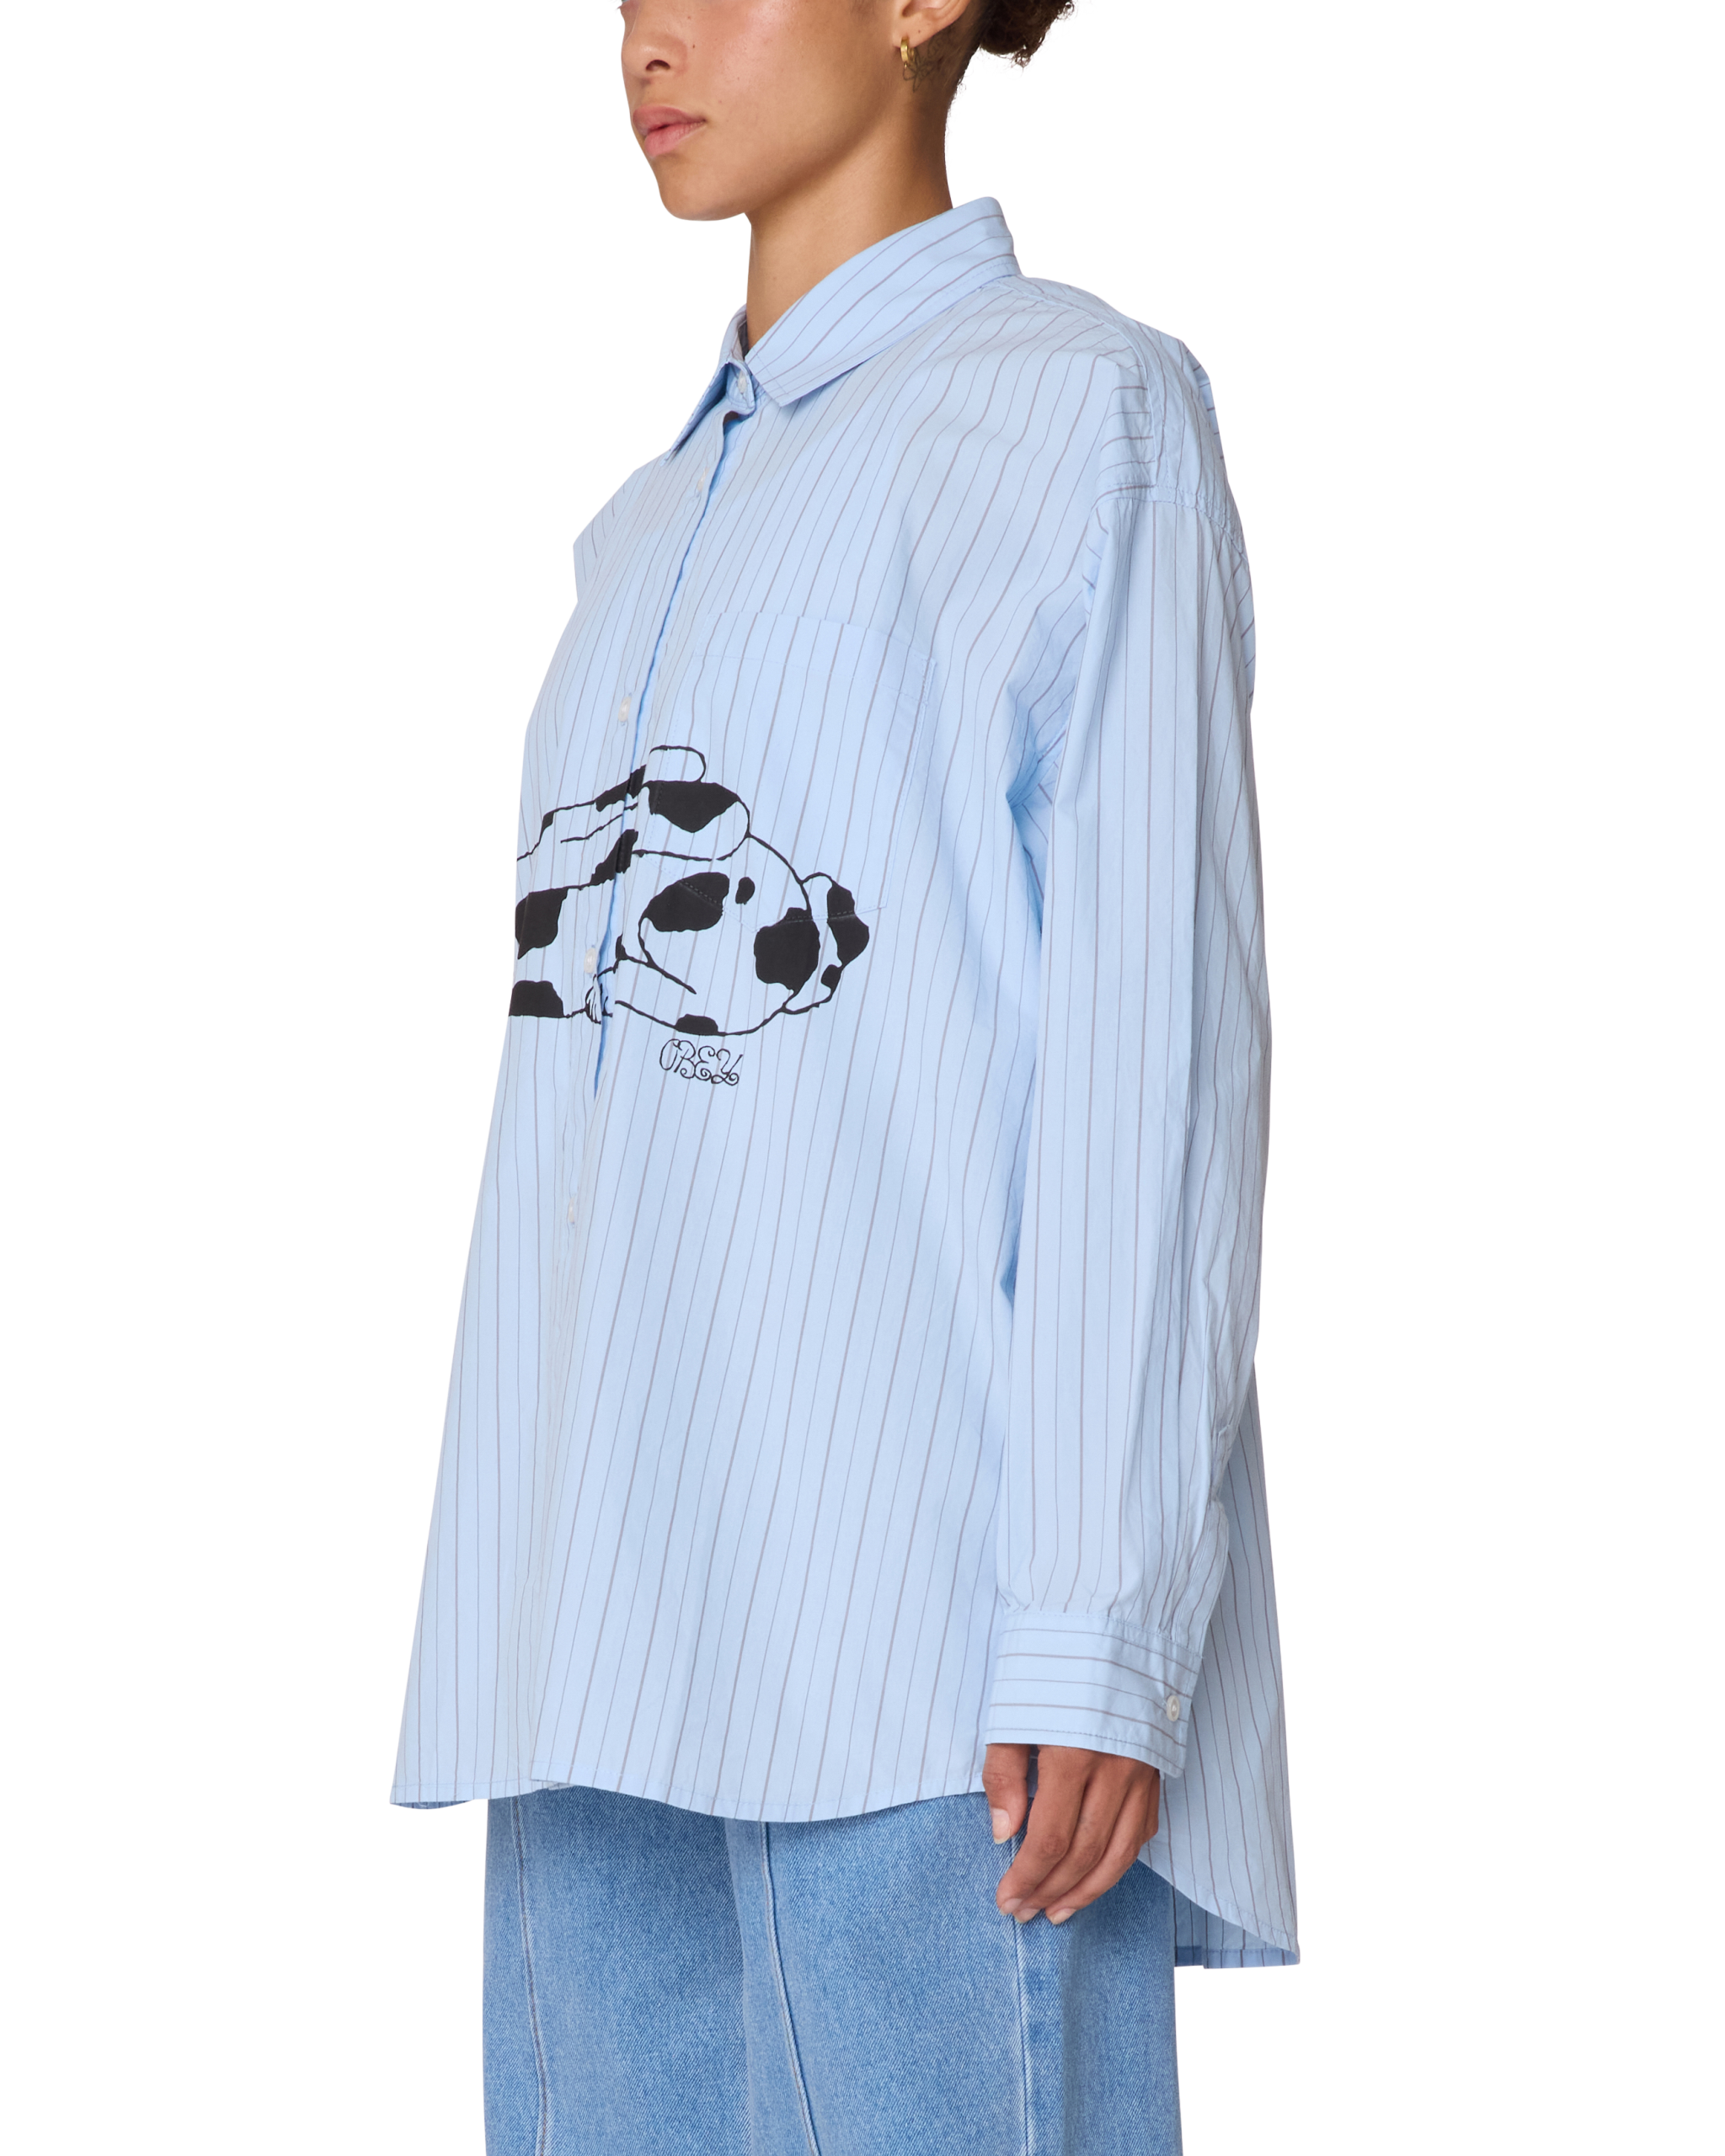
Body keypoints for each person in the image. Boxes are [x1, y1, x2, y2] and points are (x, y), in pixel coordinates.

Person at [391, 2, 1300, 2148]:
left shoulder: (1079, 409)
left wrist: (1098, 1629)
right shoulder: (637, 525)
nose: (649, 33)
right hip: (578, 1648)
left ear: (916, 5)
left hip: (920, 1656)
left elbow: (1152, 1057)